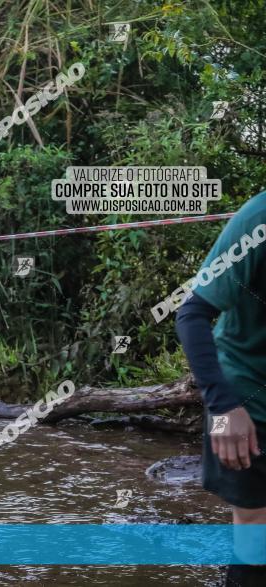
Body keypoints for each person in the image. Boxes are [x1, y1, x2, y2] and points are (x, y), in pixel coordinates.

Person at [176, 196, 266, 586]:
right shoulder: (259, 218)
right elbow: (191, 313)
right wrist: (223, 408)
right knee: (255, 529)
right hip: (239, 397)